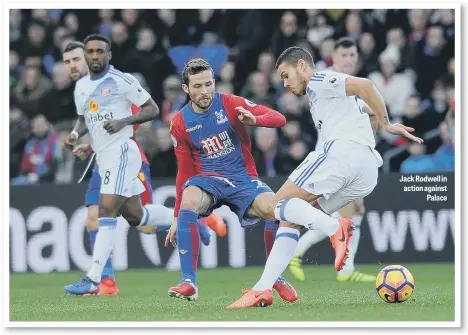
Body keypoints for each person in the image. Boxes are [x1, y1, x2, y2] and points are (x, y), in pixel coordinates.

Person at [226, 46, 423, 309]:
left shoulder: (320, 80)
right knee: (290, 219)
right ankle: (262, 289)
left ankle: (334, 229)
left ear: (302, 66)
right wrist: (376, 124)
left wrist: (386, 123)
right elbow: (368, 108)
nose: (285, 83)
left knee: (276, 206)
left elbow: (365, 85)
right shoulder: (325, 97)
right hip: (365, 172)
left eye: (286, 75)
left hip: (341, 154)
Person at [61, 35, 224, 296]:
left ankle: (96, 279)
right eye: (89, 52)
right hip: (103, 158)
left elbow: (151, 109)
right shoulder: (81, 88)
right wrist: (75, 136)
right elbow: (85, 119)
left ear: (108, 55)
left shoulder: (121, 80)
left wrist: (124, 122)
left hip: (123, 153)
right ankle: (190, 218)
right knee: (140, 219)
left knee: (104, 212)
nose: (94, 56)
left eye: (98, 51)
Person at [165, 58, 297, 303]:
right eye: (197, 87)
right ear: (186, 89)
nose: (205, 92)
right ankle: (189, 282)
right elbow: (183, 171)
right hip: (208, 179)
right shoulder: (180, 123)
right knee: (189, 197)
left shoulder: (230, 103)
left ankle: (274, 277)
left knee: (277, 211)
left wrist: (254, 120)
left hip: (243, 179)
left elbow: (279, 119)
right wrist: (176, 216)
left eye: (208, 84)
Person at [289, 38, 378, 283]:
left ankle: (343, 268)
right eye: (345, 55)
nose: (350, 59)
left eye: (353, 54)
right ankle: (303, 254)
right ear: (333, 56)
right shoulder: (327, 80)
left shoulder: (348, 85)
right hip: (335, 159)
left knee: (356, 209)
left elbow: (367, 112)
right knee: (343, 215)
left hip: (349, 155)